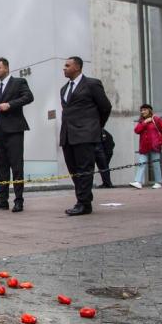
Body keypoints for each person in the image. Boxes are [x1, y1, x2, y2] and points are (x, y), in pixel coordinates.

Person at [59, 56, 112, 216]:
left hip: (85, 135)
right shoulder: (64, 88)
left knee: (84, 169)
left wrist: (95, 127)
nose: (64, 68)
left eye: (67, 65)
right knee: (73, 169)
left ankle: (83, 203)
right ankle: (84, 199)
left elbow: (105, 107)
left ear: (77, 67)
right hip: (68, 136)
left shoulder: (91, 84)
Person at [0, 57, 34, 213]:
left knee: (17, 166)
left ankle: (19, 201)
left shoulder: (19, 82)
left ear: (6, 68)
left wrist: (10, 105)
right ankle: (2, 200)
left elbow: (29, 97)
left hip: (14, 131)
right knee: (1, 167)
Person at [130, 104, 162, 189]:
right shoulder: (142, 121)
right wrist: (145, 122)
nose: (142, 111)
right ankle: (138, 182)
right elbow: (136, 130)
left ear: (149, 110)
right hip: (144, 147)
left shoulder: (156, 119)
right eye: (141, 110)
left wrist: (161, 143)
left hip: (155, 146)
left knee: (156, 164)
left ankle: (158, 182)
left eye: (144, 110)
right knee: (141, 164)